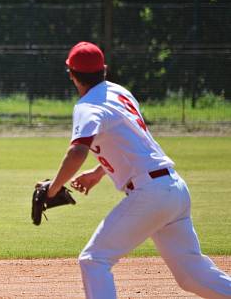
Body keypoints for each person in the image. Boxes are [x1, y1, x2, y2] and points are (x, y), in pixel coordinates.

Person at [43, 41, 231, 299]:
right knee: (193, 275)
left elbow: (77, 151)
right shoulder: (120, 92)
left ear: (72, 75)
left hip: (150, 194)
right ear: (104, 69)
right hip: (173, 188)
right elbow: (131, 142)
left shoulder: (87, 107)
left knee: (94, 259)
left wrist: (53, 189)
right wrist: (98, 173)